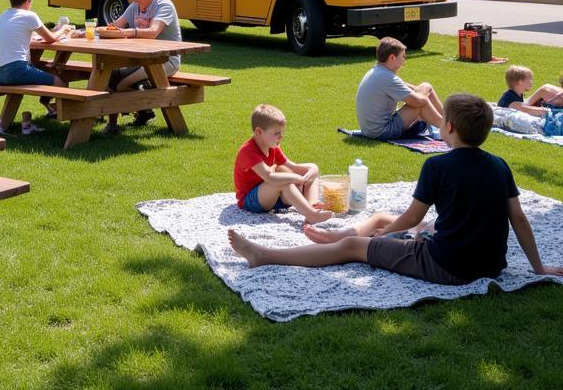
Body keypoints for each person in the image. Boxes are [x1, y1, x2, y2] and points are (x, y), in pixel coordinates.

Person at [228, 94, 563, 284]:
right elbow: (518, 219)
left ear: (448, 127)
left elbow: (411, 217)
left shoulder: (437, 165)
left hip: (447, 265)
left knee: (354, 246)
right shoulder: (498, 164)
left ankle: (266, 255)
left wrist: (376, 239)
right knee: (385, 219)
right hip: (490, 263)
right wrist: (538, 267)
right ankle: (339, 234)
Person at [103, 0, 182, 129]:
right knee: (108, 72)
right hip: (141, 59)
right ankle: (142, 110)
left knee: (117, 79)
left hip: (165, 61)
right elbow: (114, 27)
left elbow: (153, 32)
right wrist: (85, 32)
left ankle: (110, 122)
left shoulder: (163, 5)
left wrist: (129, 32)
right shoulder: (134, 7)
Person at [233, 104, 332, 224]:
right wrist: (296, 178)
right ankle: (311, 215)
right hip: (250, 200)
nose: (281, 136)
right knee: (284, 182)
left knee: (308, 173)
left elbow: (293, 167)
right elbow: (269, 177)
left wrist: (312, 169)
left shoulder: (272, 147)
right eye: (276, 133)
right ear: (259, 131)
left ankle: (312, 205)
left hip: (272, 197)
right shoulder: (248, 151)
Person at [0, 0, 69, 135]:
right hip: (15, 70)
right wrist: (64, 29)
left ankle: (3, 126)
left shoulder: (4, 14)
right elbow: (51, 39)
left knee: (36, 74)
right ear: (28, 1)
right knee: (60, 82)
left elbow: (19, 33)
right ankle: (70, 118)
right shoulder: (29, 15)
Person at [355, 36, 444, 140]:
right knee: (420, 105)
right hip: (382, 132)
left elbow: (407, 86)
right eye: (403, 56)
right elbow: (419, 102)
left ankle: (448, 123)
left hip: (371, 130)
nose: (405, 60)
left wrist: (423, 90)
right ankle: (448, 129)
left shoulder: (377, 72)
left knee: (426, 87)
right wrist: (423, 95)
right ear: (392, 57)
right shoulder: (388, 78)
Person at [498, 64, 563, 113]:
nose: (532, 82)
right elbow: (522, 108)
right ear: (520, 81)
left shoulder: (516, 94)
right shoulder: (510, 97)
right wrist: (546, 110)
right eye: (530, 79)